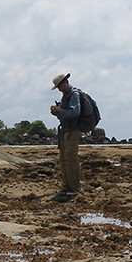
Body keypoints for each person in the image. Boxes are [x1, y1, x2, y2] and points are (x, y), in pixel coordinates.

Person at [50, 72, 82, 201]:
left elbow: (75, 113)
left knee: (71, 158)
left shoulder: (74, 95)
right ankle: (66, 186)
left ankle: (74, 188)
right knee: (63, 158)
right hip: (65, 130)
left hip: (73, 131)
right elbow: (65, 114)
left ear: (65, 83)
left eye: (59, 86)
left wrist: (60, 110)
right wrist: (57, 112)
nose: (59, 89)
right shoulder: (65, 96)